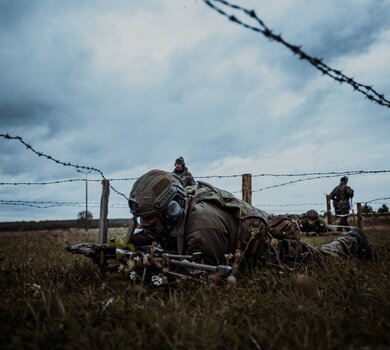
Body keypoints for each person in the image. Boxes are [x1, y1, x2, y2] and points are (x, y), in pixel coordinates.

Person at [127, 170, 374, 270]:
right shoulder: (174, 217)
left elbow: (200, 278)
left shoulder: (203, 225)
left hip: (265, 251)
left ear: (171, 209)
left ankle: (353, 239)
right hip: (242, 239)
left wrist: (147, 265)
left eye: (149, 219)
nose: (145, 225)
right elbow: (151, 240)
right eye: (141, 219)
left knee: (324, 260)